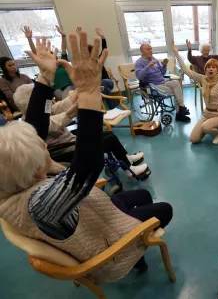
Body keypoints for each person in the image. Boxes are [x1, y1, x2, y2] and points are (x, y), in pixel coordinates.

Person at [0, 32, 173, 280]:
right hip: (108, 246)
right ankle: (136, 253)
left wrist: (45, 77)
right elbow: (88, 166)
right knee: (165, 208)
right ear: (37, 169)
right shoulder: (39, 204)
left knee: (144, 194)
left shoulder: (13, 184)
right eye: (41, 148)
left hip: (93, 213)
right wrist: (90, 92)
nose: (44, 145)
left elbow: (35, 126)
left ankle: (137, 233)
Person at [13, 83, 149, 180]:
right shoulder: (34, 124)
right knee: (108, 139)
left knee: (107, 134)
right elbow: (60, 119)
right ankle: (130, 171)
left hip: (72, 142)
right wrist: (78, 106)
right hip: (67, 150)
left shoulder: (40, 113)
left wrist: (83, 88)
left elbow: (62, 105)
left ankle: (125, 158)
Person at [173, 40, 218, 144]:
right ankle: (209, 128)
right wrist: (176, 54)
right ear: (205, 69)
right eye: (208, 67)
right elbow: (185, 70)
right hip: (207, 114)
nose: (211, 69)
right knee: (194, 139)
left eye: (213, 67)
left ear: (217, 70)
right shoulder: (203, 79)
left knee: (205, 127)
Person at [135, 43, 191, 122]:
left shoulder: (153, 59)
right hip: (151, 86)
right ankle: (180, 113)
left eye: (151, 49)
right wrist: (148, 67)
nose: (151, 50)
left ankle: (181, 107)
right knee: (175, 91)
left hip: (162, 82)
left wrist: (164, 65)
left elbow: (162, 73)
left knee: (176, 82)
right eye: (148, 49)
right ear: (142, 51)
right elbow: (139, 77)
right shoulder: (139, 62)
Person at [22, 25, 75, 101]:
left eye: (51, 54)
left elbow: (63, 48)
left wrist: (63, 36)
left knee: (67, 98)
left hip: (69, 87)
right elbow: (35, 53)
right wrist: (29, 39)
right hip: (56, 90)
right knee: (63, 99)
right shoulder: (46, 67)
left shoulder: (62, 62)